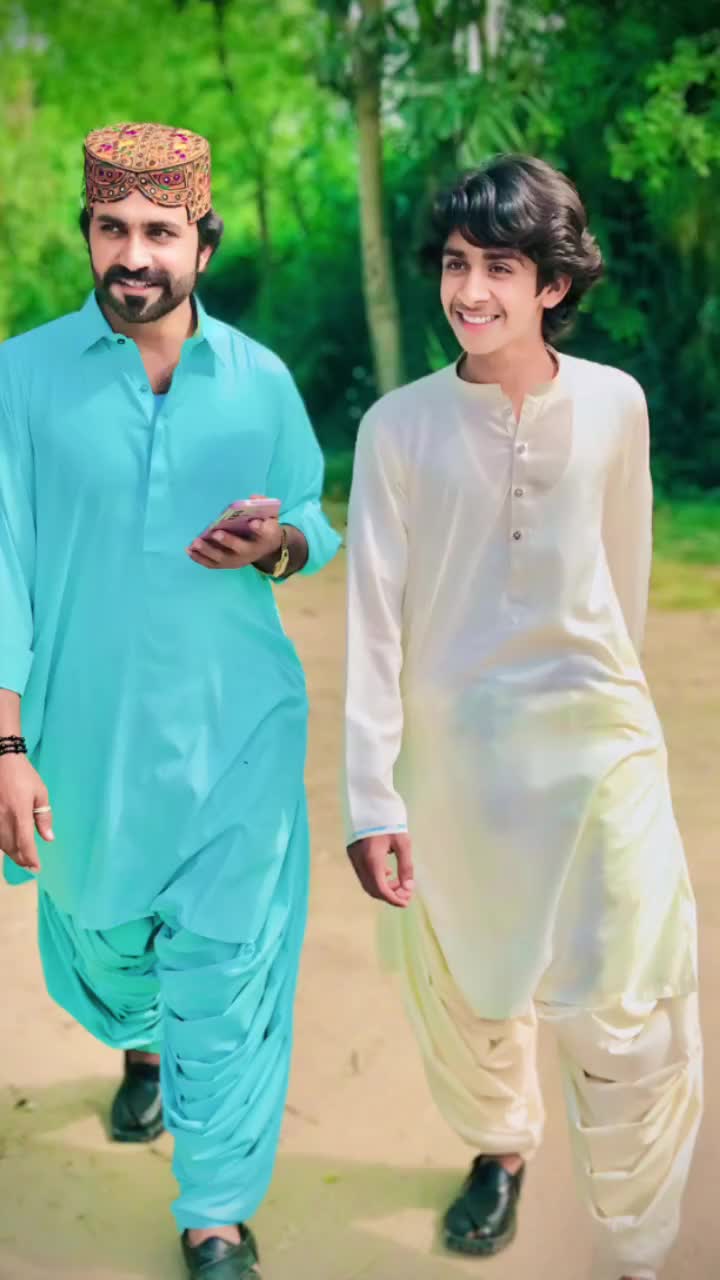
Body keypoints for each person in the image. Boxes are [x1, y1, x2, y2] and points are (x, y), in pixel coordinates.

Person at [343, 154, 702, 1280]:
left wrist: (600, 700)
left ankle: (636, 1243)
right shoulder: (397, 427)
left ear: (554, 282)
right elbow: (375, 621)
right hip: (457, 759)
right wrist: (371, 797)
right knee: (474, 984)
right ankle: (501, 1148)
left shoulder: (615, 403)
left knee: (630, 1009)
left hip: (602, 747)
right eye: (457, 264)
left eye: (500, 267)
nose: (470, 290)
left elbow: (623, 572)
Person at [0, 120, 340, 1279]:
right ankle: (142, 1044)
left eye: (159, 230)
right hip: (82, 742)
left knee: (227, 967)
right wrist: (6, 741)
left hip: (239, 732)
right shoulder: (22, 376)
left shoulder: (259, 380)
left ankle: (216, 1214)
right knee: (101, 948)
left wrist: (278, 542)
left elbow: (312, 513)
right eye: (113, 228)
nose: (133, 253)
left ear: (204, 240)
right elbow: (2, 565)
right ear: (88, 232)